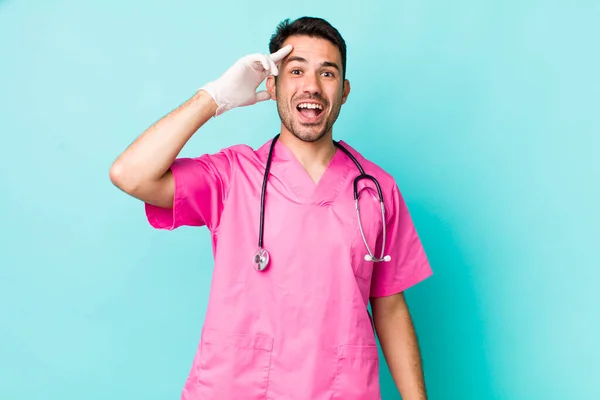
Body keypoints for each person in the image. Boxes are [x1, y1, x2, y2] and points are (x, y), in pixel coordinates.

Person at [110, 16, 433, 400]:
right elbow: (131, 175)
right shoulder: (231, 176)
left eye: (327, 73)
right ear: (272, 85)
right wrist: (213, 97)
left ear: (344, 91)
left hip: (340, 388)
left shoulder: (377, 190)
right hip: (238, 388)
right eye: (296, 71)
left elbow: (390, 306)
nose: (311, 86)